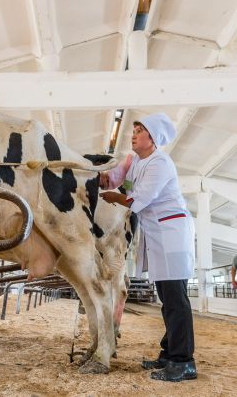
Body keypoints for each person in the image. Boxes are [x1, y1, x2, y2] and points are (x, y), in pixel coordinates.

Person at [99, 112, 197, 382]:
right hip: (158, 235)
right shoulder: (136, 163)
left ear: (152, 137)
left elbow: (137, 198)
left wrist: (113, 196)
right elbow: (116, 177)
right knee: (168, 298)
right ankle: (169, 354)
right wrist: (104, 178)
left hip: (173, 234)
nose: (133, 134)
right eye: (134, 130)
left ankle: (184, 361)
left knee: (176, 299)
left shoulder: (160, 162)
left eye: (139, 130)